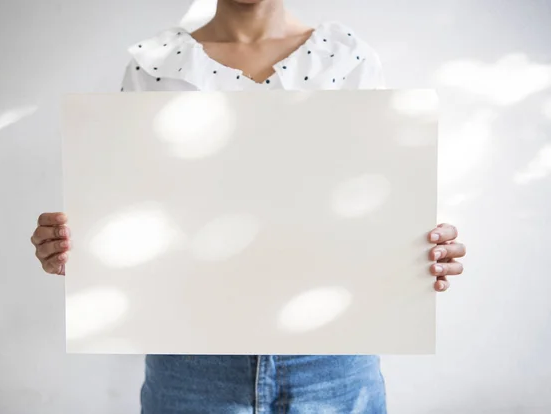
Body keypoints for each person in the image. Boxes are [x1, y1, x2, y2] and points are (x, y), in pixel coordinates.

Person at [31, 0, 467, 412]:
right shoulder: (154, 64)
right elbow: (127, 208)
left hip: (332, 361)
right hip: (190, 364)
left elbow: (377, 198)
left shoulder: (347, 57)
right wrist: (76, 247)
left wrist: (422, 247)